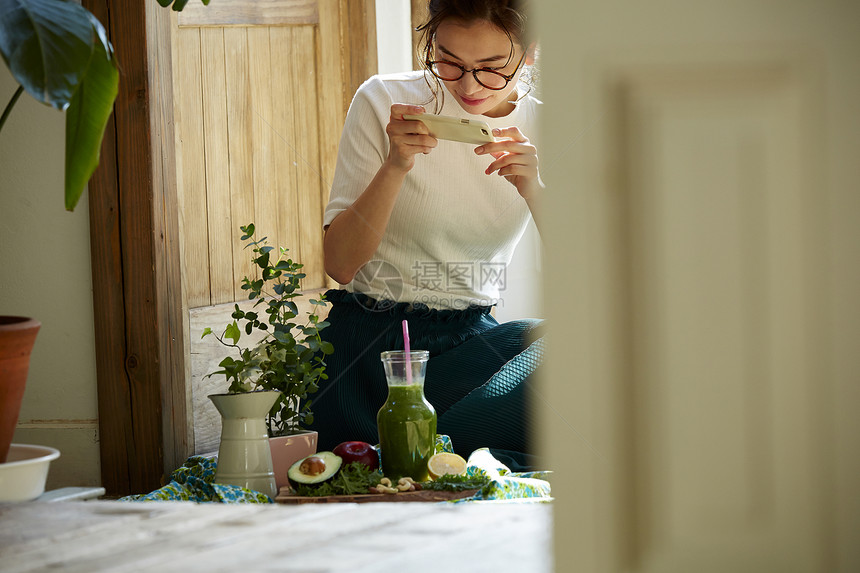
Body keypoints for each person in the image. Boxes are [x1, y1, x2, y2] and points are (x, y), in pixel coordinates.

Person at [307, 0, 545, 471]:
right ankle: (452, 457)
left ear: (531, 53)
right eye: (449, 63)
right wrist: (396, 165)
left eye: (492, 68)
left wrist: (536, 191)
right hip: (370, 349)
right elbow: (339, 264)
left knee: (576, 349)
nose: (469, 85)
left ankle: (420, 456)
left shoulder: (548, 125)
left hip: (469, 345)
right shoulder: (382, 101)